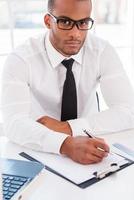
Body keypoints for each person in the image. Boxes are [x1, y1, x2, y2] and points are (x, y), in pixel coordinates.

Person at [1, 0, 134, 165]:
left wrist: (69, 128)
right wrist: (65, 144)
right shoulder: (21, 59)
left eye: (83, 22)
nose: (76, 34)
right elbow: (13, 123)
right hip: (37, 148)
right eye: (65, 22)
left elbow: (129, 111)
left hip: (90, 145)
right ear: (48, 21)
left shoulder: (102, 51)